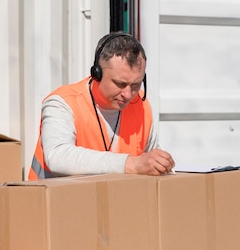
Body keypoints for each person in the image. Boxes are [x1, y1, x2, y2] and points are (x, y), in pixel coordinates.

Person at [28, 32, 175, 180]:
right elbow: (57, 157)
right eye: (120, 84)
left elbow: (149, 160)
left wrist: (160, 163)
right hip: (50, 200)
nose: (128, 94)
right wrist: (131, 164)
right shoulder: (62, 103)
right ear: (96, 74)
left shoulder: (141, 105)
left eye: (136, 84)